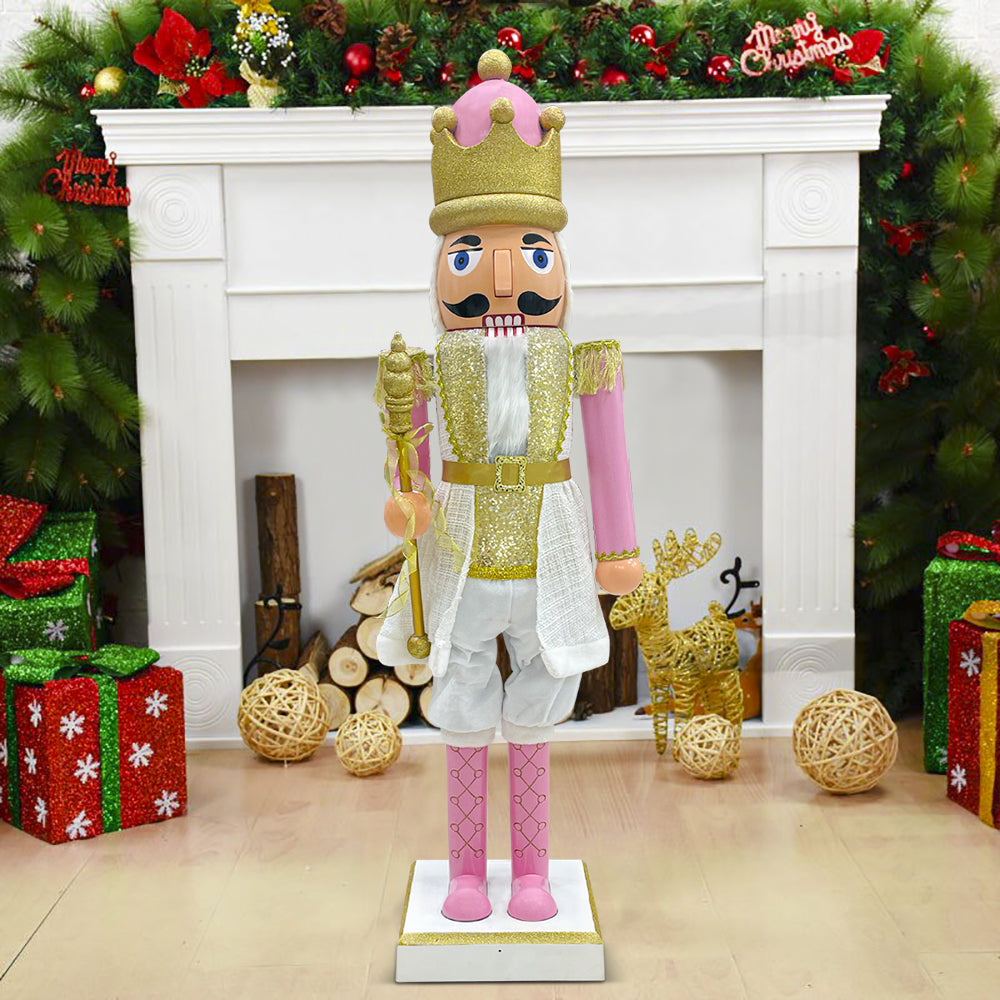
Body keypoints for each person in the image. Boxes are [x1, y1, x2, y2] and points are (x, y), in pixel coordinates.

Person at [377, 49, 641, 923]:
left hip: (547, 557)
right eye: (469, 254)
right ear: (442, 262)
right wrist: (409, 501)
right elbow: (411, 453)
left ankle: (530, 871)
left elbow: (608, 453)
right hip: (460, 557)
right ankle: (465, 872)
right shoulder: (428, 362)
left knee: (537, 702)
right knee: (460, 708)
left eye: (530, 252)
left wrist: (618, 549)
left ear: (557, 258)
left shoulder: (582, 359)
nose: (500, 280)